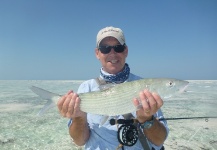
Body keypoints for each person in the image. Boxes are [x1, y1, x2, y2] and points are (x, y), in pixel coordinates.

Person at [57, 26, 169, 150]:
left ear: (125, 51)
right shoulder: (86, 88)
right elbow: (79, 141)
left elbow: (159, 140)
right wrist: (79, 118)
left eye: (118, 48)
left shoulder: (144, 87)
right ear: (97, 53)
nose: (112, 53)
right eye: (105, 49)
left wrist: (147, 119)